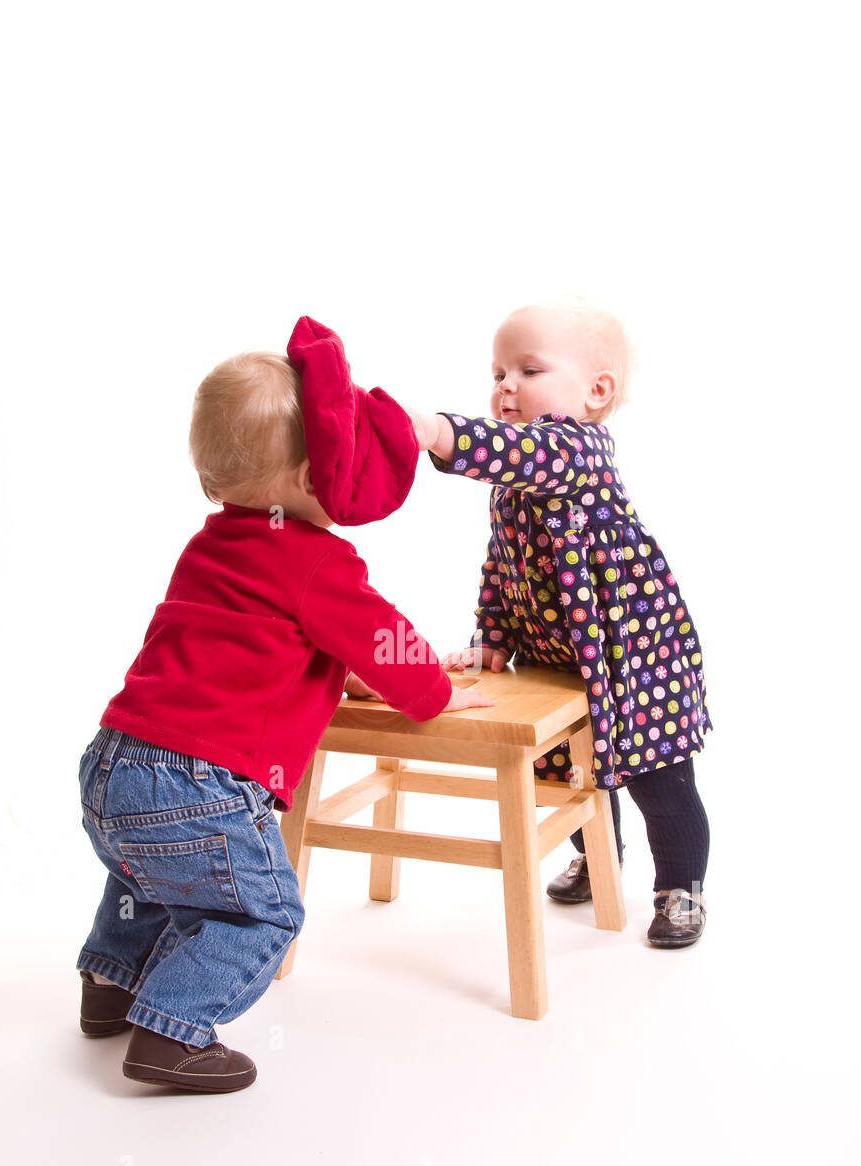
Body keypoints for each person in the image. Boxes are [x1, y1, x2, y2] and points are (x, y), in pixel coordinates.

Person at [77, 317, 491, 1093]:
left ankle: (108, 983)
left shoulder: (209, 544)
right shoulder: (316, 561)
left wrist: (342, 672)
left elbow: (253, 644)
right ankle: (171, 1032)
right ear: (314, 477)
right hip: (200, 788)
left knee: (148, 877)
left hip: (113, 764)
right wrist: (433, 689)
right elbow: (385, 645)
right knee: (261, 916)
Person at [406, 297, 711, 948]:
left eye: (529, 369)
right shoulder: (511, 486)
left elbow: (508, 450)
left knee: (659, 780)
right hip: (560, 658)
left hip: (636, 658)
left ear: (596, 392)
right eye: (497, 373)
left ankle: (681, 887)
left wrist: (436, 430)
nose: (506, 385)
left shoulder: (575, 451)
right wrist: (492, 635)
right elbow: (503, 565)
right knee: (572, 772)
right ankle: (599, 856)